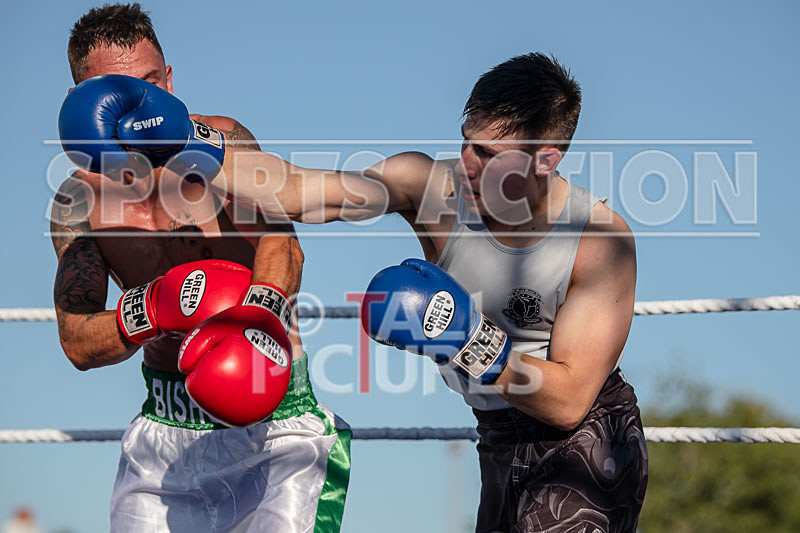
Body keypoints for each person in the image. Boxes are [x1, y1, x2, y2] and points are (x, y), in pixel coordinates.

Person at [65, 50, 647, 530]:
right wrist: (187, 139)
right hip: (496, 436)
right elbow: (299, 192)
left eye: (490, 154)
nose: (468, 161)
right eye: (467, 140)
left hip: (587, 440)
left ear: (547, 159)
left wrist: (468, 340)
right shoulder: (432, 185)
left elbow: (569, 400)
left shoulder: (598, 242)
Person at [51, 4, 349, 531]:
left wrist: (256, 320)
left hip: (274, 424)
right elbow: (76, 340)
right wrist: (151, 309)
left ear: (168, 79)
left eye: (147, 87)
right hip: (164, 434)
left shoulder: (221, 143)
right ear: (81, 105)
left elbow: (284, 246)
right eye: (113, 97)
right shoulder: (78, 203)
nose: (135, 113)